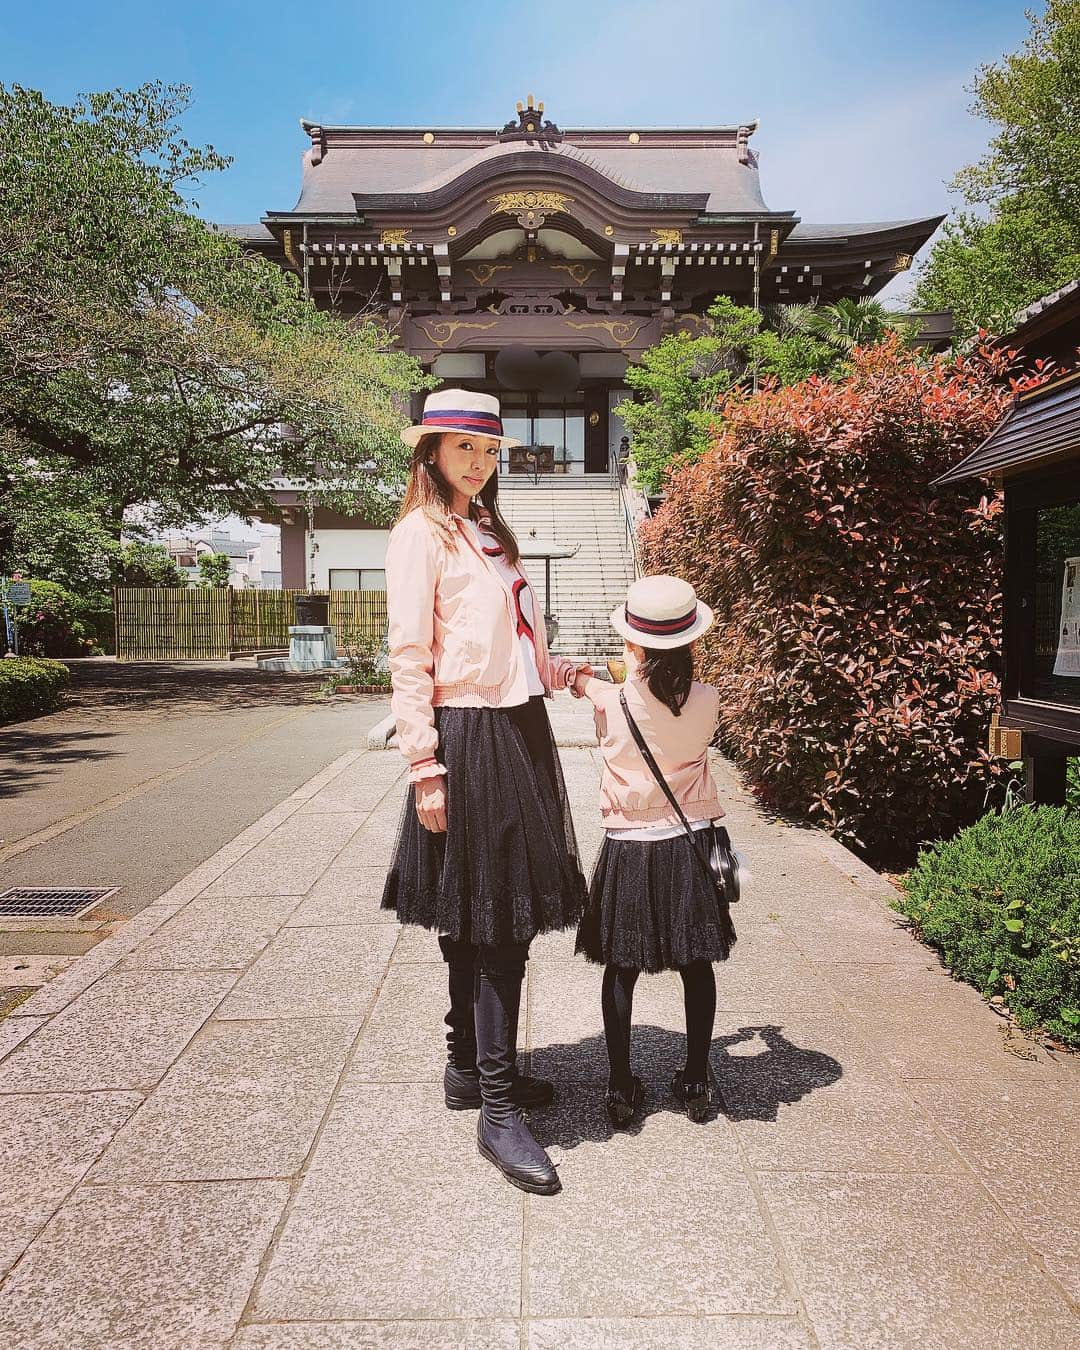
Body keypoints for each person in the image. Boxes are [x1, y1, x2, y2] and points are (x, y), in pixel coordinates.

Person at [381, 387, 590, 1196]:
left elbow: (521, 647)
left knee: (482, 912)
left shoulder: (490, 534)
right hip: (465, 737)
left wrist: (572, 675)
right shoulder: (419, 536)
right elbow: (411, 656)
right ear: (431, 452)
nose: (480, 462)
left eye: (491, 450)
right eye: (464, 448)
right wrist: (424, 766)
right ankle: (498, 1112)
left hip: (519, 727)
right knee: (492, 919)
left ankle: (468, 1070)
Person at [571, 574, 737, 1126]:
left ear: (635, 643)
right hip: (688, 845)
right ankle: (696, 1079)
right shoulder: (709, 700)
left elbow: (611, 703)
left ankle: (620, 1086)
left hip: (629, 849)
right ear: (691, 640)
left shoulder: (611, 701)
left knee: (620, 968)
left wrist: (584, 679)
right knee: (697, 964)